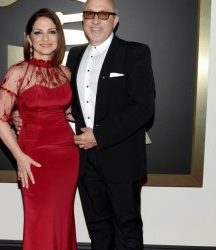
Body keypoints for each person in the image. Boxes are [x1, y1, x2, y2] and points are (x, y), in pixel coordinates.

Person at [65, 0, 155, 249]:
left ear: (115, 21)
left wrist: (99, 136)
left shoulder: (135, 52)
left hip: (122, 158)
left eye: (103, 14)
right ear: (83, 20)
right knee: (98, 231)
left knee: (127, 231)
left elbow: (143, 109)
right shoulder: (74, 55)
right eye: (89, 13)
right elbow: (76, 102)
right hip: (85, 161)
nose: (95, 19)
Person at [0, 8, 79, 250]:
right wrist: (19, 157)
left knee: (62, 219)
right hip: (33, 157)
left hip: (67, 155)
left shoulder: (66, 73)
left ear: (59, 37)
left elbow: (69, 112)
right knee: (39, 220)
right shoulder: (17, 72)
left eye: (52, 32)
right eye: (38, 32)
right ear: (29, 38)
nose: (45, 38)